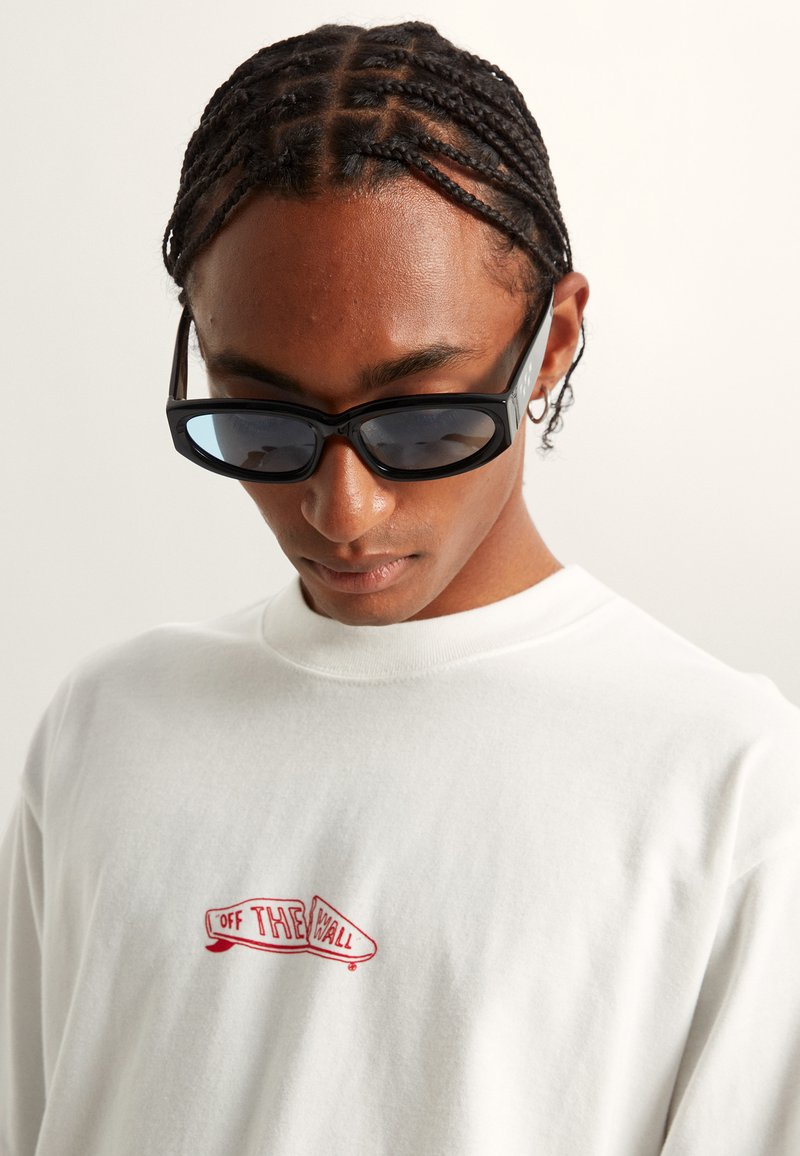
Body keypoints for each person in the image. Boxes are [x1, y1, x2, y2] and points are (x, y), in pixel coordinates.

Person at [2, 20, 799, 1156]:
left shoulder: (730, 788)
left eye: (421, 421)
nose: (342, 510)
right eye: (262, 420)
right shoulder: (107, 725)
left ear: (553, 340)